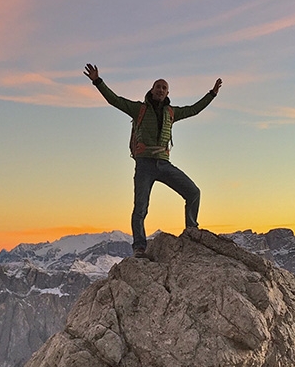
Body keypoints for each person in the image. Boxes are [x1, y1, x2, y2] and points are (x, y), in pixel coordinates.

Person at [84, 63, 222, 258]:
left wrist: (212, 94)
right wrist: (98, 81)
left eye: (164, 88)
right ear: (152, 89)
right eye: (158, 86)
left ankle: (192, 230)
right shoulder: (138, 109)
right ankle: (139, 247)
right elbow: (114, 100)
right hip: (145, 165)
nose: (161, 90)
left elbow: (194, 110)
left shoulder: (171, 113)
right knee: (140, 208)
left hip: (164, 164)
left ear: (167, 93)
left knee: (193, 192)